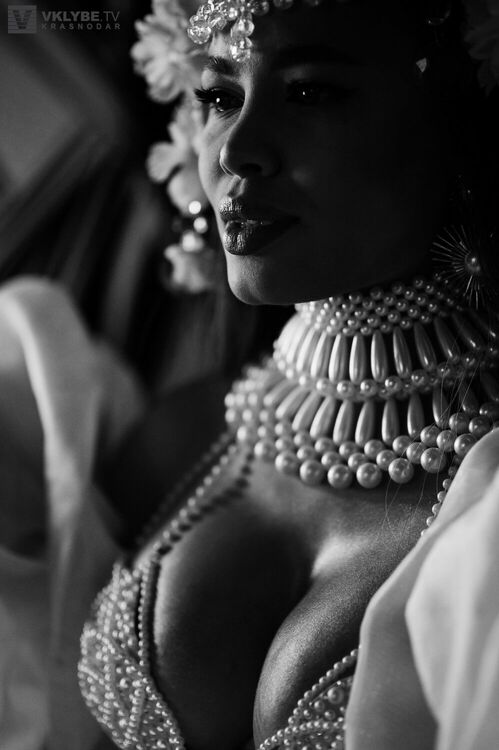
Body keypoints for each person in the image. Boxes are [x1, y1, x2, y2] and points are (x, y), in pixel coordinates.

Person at [76, 1, 499, 749]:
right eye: (219, 96)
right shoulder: (180, 440)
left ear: (466, 120)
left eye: (309, 92)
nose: (237, 151)